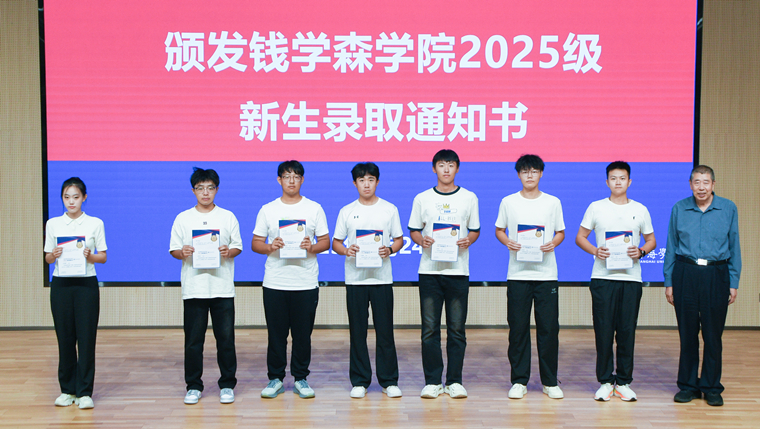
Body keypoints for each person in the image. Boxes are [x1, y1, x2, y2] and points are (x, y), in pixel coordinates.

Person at [575, 161, 656, 402]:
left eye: (622, 178)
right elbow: (580, 237)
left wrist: (641, 251)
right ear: (607, 181)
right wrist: (595, 250)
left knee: (627, 331)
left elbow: (651, 240)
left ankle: (623, 382)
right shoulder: (596, 207)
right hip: (603, 278)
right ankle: (604, 382)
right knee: (603, 331)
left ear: (629, 182)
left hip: (631, 279)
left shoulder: (640, 209)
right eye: (613, 178)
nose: (618, 182)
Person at [664, 165, 741, 407]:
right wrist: (669, 282)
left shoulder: (728, 208)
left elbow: (734, 245)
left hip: (717, 274)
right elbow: (671, 246)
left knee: (712, 335)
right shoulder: (679, 208)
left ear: (713, 184)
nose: (701, 187)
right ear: (690, 184)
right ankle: (688, 386)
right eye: (696, 182)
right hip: (685, 273)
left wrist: (733, 281)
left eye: (706, 182)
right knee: (687, 333)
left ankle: (711, 387)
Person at [252, 160, 330, 399]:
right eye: (287, 176)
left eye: (296, 176)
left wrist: (312, 246)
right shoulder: (268, 209)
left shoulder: (314, 208)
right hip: (275, 282)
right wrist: (270, 246)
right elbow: (256, 243)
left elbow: (325, 242)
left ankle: (301, 378)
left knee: (302, 335)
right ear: (279, 180)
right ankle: (275, 379)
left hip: (305, 282)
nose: (292, 181)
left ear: (302, 180)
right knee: (276, 335)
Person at [409, 149, 480, 399]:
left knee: (456, 330)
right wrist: (422, 240)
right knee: (429, 330)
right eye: (441, 165)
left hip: (458, 271)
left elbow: (475, 230)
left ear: (457, 168)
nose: (446, 169)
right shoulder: (422, 198)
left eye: (451, 165)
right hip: (430, 272)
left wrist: (468, 240)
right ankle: (432, 381)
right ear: (434, 168)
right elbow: (414, 230)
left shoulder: (469, 197)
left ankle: (454, 381)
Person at [494, 154, 565, 400]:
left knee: (548, 330)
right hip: (518, 274)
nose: (530, 175)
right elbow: (499, 230)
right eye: (525, 171)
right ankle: (519, 380)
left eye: (534, 171)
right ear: (518, 175)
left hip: (546, 275)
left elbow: (560, 232)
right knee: (518, 329)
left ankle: (550, 382)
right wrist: (508, 242)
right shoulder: (508, 201)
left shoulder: (553, 202)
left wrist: (553, 243)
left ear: (541, 174)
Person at [169, 168, 242, 405]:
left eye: (210, 188)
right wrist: (183, 252)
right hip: (194, 288)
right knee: (193, 342)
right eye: (200, 188)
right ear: (193, 191)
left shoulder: (227, 217)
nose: (205, 192)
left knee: (226, 340)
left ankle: (227, 385)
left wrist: (228, 251)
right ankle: (193, 386)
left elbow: (238, 247)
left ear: (217, 190)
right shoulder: (183, 218)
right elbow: (173, 250)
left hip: (222, 287)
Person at [332, 162, 404, 399]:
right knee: (357, 332)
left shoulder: (389, 209)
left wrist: (389, 250)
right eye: (362, 180)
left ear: (377, 182)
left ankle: (389, 381)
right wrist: (346, 250)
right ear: (355, 183)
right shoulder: (346, 211)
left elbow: (399, 239)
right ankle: (360, 381)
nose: (366, 184)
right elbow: (336, 242)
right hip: (355, 280)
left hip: (382, 279)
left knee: (385, 331)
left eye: (371, 179)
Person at [44, 177, 107, 410]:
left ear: (84, 198)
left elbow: (103, 256)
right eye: (66, 197)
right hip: (61, 286)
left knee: (87, 339)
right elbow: (47, 258)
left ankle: (85, 392)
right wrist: (53, 255)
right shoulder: (53, 224)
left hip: (86, 286)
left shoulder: (95, 223)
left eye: (76, 197)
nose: (71, 201)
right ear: (62, 198)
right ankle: (67, 390)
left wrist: (91, 256)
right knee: (65, 338)